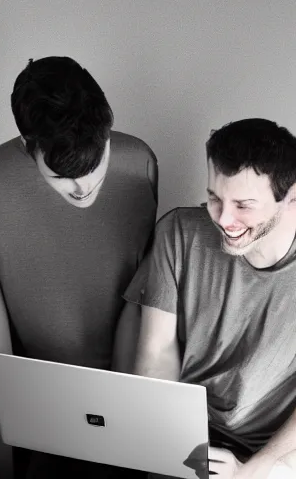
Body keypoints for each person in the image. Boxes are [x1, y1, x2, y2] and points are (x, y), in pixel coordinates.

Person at [0, 56, 158, 478]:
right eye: (64, 178)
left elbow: (146, 283)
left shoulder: (139, 162)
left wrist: (125, 390)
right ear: (28, 143)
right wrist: (6, 389)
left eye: (95, 167)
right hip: (37, 382)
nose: (84, 186)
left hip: (126, 378)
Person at [117, 118, 296, 479]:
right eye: (215, 198)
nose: (223, 218)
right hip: (190, 429)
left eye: (244, 205)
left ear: (291, 197)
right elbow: (157, 354)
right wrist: (168, 444)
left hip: (277, 446)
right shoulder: (179, 232)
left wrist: (252, 470)